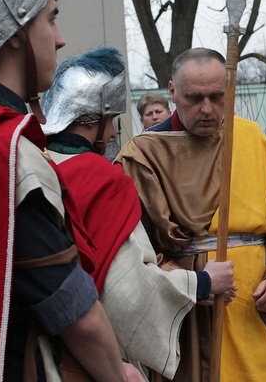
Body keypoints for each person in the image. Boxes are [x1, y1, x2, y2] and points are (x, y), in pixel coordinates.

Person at [0, 0, 142, 381]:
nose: (60, 38)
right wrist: (118, 374)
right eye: (51, 19)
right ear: (14, 32)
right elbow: (77, 315)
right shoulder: (5, 155)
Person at [116, 48, 266, 382]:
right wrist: (192, 282)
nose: (207, 109)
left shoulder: (251, 138)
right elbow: (134, 252)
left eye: (217, 96)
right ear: (173, 91)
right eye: (195, 98)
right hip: (192, 320)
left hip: (257, 311)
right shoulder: (142, 155)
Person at [41, 47, 236, 379]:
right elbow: (127, 292)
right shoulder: (101, 179)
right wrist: (202, 283)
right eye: (111, 121)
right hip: (82, 354)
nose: (113, 133)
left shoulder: (30, 162)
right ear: (94, 119)